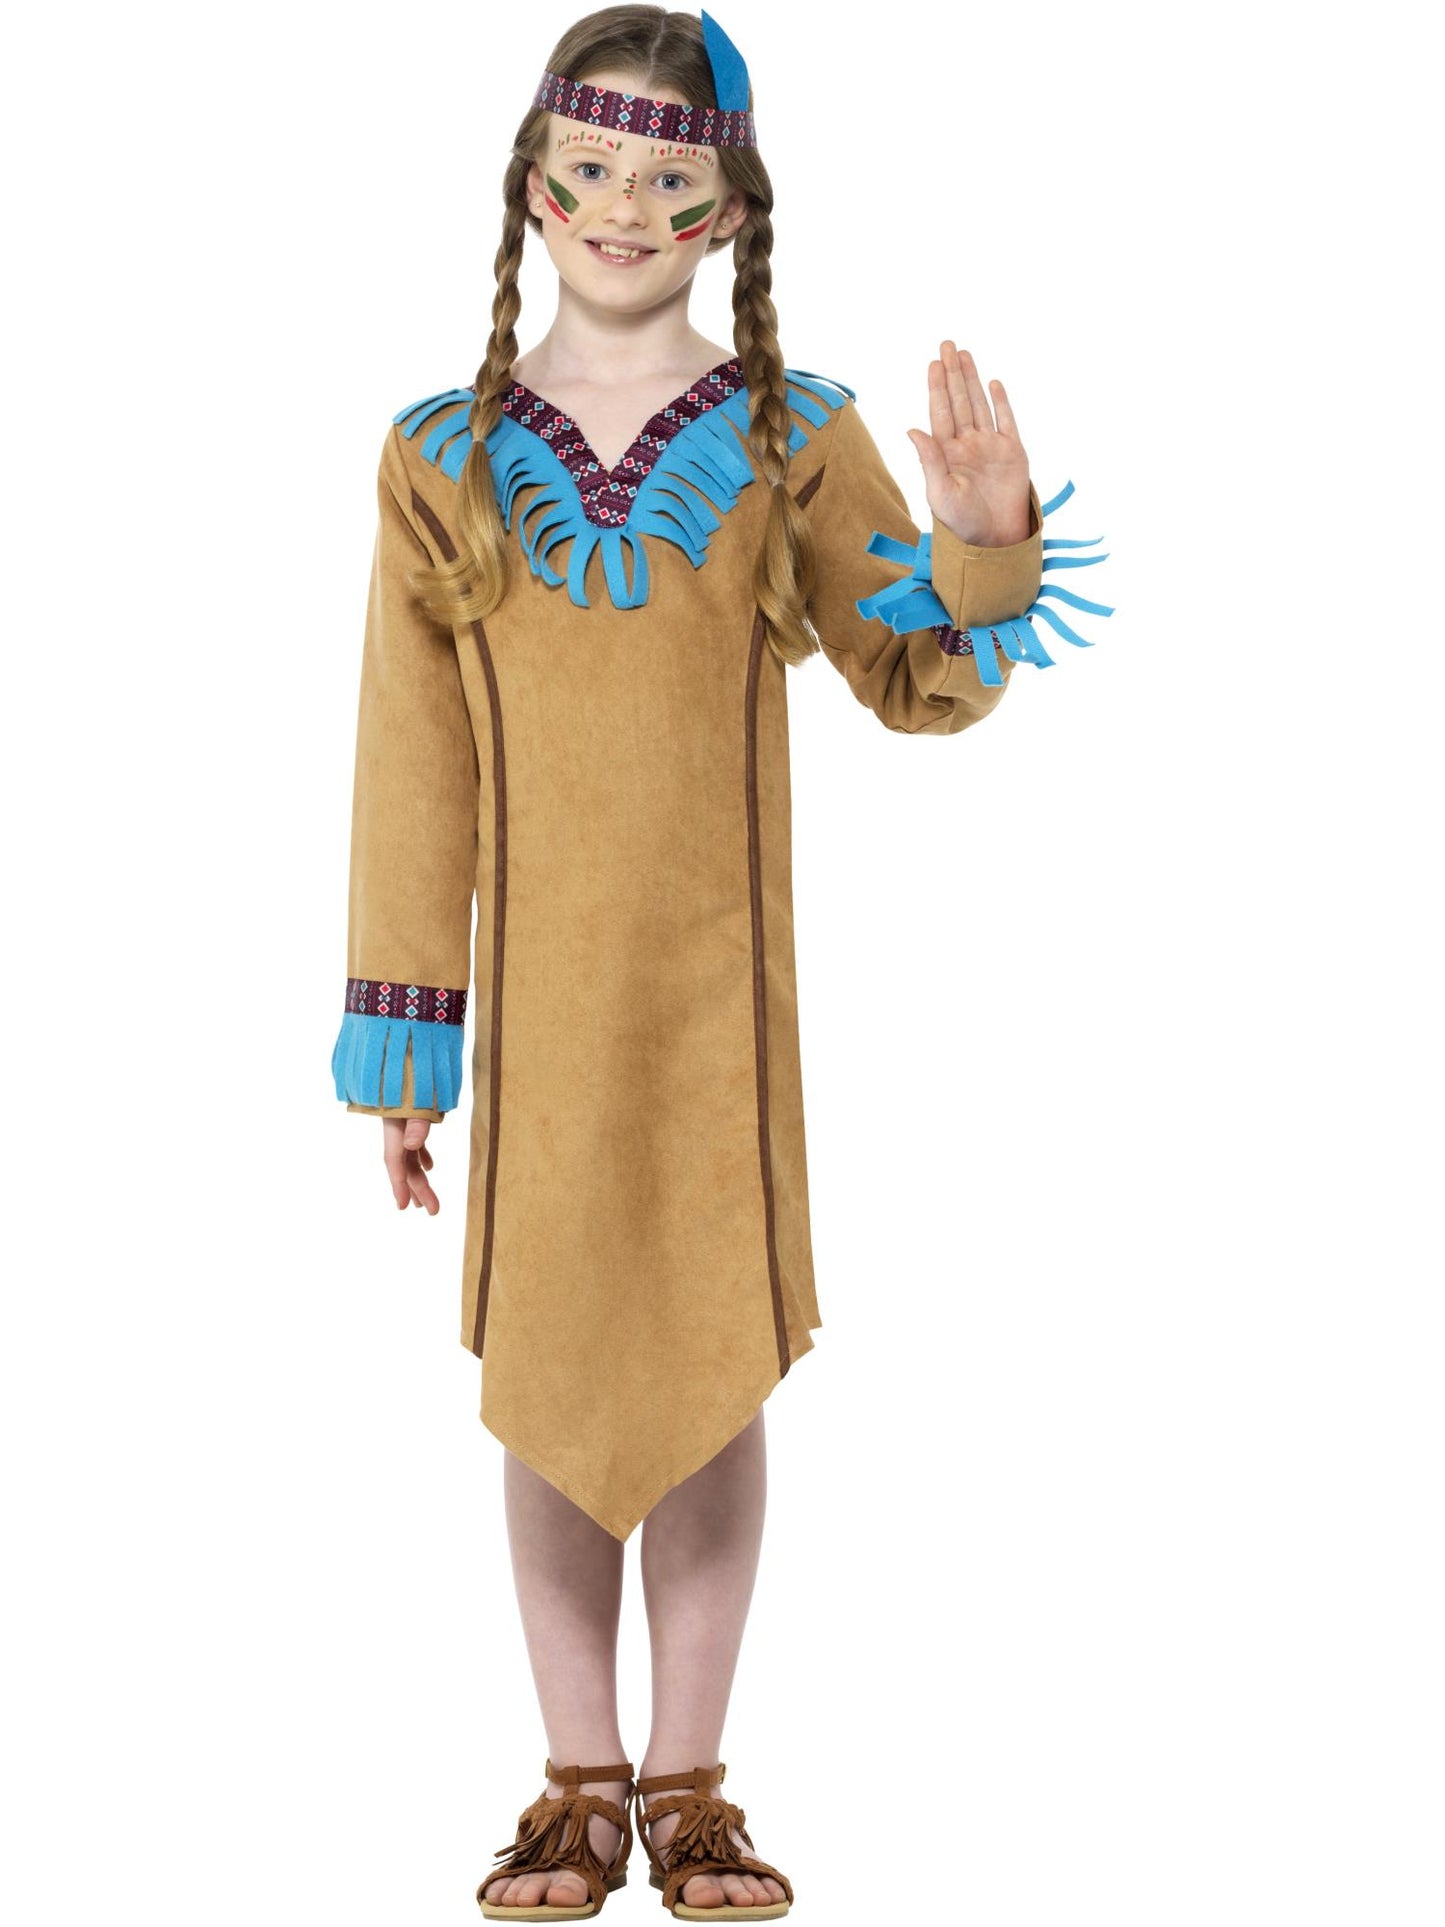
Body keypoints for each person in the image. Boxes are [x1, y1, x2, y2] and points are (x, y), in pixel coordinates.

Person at [329, 5, 1110, 1917]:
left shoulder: (787, 436)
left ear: (729, 212)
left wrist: (984, 550)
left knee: (704, 1374)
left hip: (713, 1017)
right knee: (546, 1375)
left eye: (666, 176)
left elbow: (915, 681)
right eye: (590, 168)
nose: (622, 205)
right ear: (531, 186)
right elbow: (410, 770)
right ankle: (576, 1782)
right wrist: (408, 1049)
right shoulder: (441, 458)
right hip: (540, 1021)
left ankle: (687, 1784)